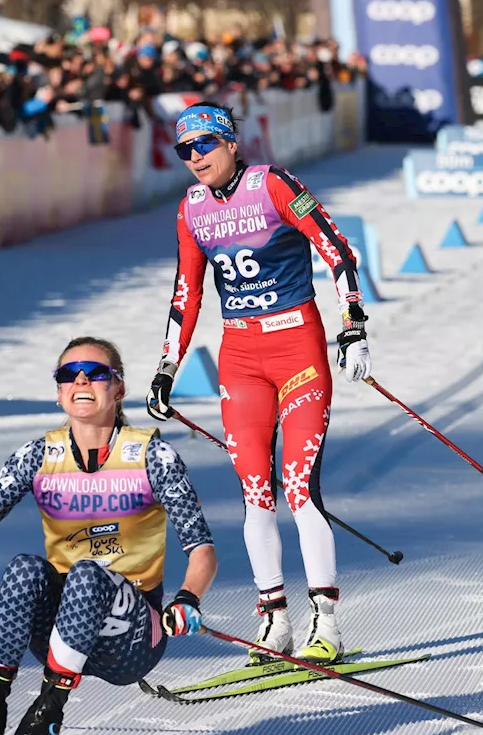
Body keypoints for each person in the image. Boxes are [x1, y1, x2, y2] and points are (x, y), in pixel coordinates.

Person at [0, 337, 218, 735]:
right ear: (58, 393)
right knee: (24, 570)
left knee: (89, 574)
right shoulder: (39, 454)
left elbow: (201, 548)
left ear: (118, 388)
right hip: (60, 630)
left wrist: (188, 598)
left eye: (94, 373)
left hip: (128, 637)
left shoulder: (153, 454)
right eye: (67, 375)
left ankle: (47, 715)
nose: (80, 381)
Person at [147, 102, 370, 667]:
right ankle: (274, 621)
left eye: (204, 145)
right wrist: (168, 366)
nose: (195, 158)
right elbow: (186, 292)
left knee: (298, 486)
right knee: (254, 492)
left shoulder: (272, 184)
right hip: (240, 358)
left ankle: (326, 619)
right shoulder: (192, 208)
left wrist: (353, 324)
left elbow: (336, 248)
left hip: (297, 349)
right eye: (184, 150)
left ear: (229, 144)